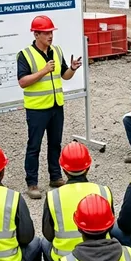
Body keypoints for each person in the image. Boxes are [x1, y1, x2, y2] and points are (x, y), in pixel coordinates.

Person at [19, 14, 83, 198]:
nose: (50, 36)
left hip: (56, 106)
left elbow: (64, 76)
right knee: (34, 146)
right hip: (37, 109)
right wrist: (43, 71)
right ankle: (32, 183)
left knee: (55, 144)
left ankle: (55, 176)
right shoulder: (25, 55)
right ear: (36, 34)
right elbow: (23, 81)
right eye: (46, 33)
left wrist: (72, 68)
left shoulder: (56, 51)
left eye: (51, 32)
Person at [44, 142, 113, 261]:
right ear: (88, 168)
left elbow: (48, 235)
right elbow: (110, 226)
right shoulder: (104, 191)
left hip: (64, 259)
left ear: (64, 169)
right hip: (101, 256)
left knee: (43, 243)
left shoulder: (53, 196)